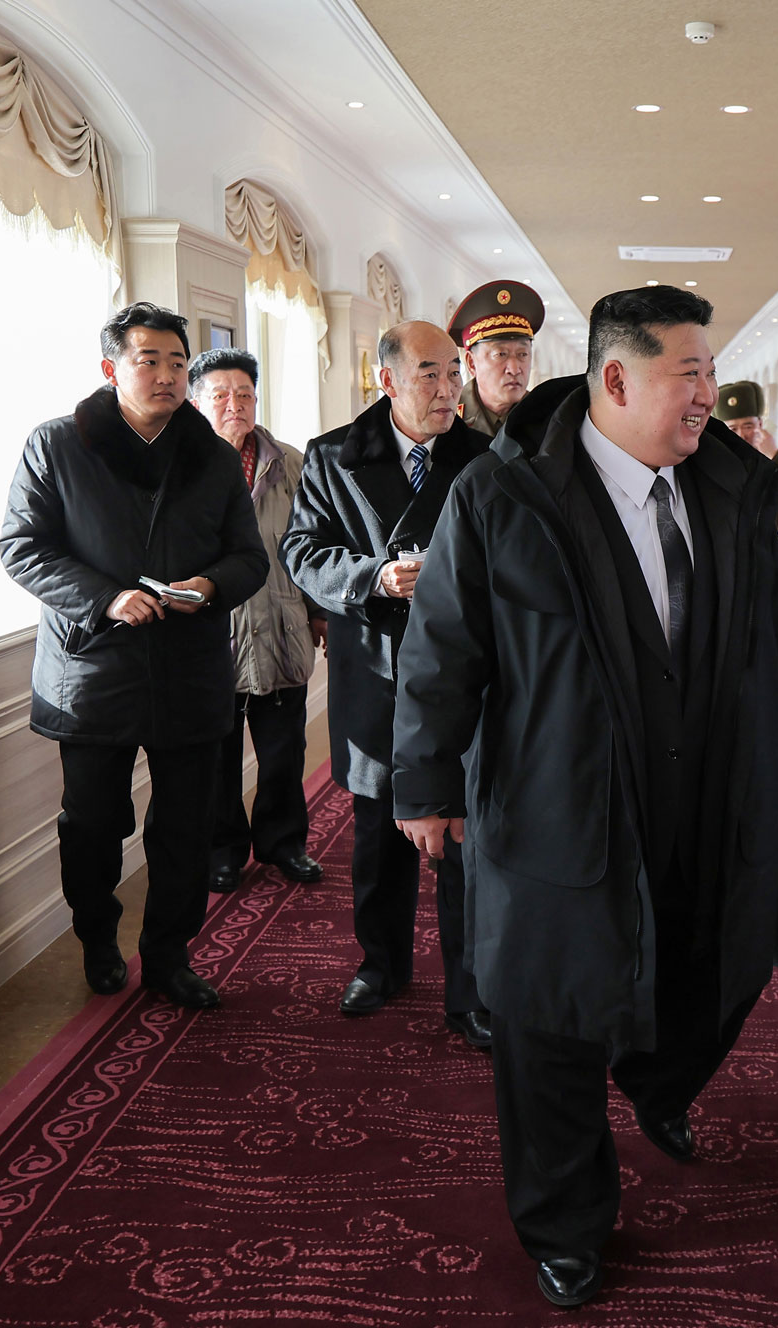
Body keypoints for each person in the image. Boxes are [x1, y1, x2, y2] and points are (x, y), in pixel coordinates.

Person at [388, 286, 778, 1308]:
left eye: (711, 371)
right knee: (550, 1014)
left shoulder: (731, 488)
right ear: (615, 380)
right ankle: (565, 1220)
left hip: (707, 786)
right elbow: (443, 644)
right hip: (556, 795)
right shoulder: (504, 495)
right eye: (689, 373)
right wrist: (424, 779)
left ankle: (658, 1079)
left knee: (718, 956)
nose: (708, 393)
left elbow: (769, 642)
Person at [0, 302, 268, 1010]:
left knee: (184, 825)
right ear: (111, 367)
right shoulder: (57, 445)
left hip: (189, 666)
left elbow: (249, 557)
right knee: (92, 822)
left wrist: (208, 585)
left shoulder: (211, 456)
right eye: (149, 361)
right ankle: (96, 936)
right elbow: (21, 549)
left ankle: (169, 955)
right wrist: (106, 598)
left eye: (178, 363)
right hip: (92, 668)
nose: (167, 376)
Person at [276, 321, 492, 1046]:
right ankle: (382, 962)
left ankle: (470, 989)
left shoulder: (485, 457)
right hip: (373, 665)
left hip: (462, 673)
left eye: (455, 375)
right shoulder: (337, 455)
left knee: (462, 835)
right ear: (389, 381)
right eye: (430, 374)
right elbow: (302, 550)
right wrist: (373, 576)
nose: (448, 389)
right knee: (377, 829)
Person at [186, 347, 325, 894]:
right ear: (197, 403)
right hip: (210, 639)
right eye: (220, 395)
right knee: (217, 760)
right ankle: (223, 851)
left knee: (283, 753)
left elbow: (312, 547)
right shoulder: (182, 468)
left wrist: (318, 612)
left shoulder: (289, 462)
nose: (234, 405)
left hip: (281, 627)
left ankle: (284, 843)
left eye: (244, 394)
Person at [450, 279, 544, 437]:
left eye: (523, 354)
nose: (514, 369)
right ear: (471, 363)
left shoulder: (546, 415)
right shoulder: (449, 415)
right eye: (501, 354)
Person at [715, 380, 778, 530]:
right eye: (733, 429)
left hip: (769, 546)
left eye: (748, 426)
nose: (741, 435)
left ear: (760, 425)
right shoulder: (715, 461)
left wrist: (773, 455)